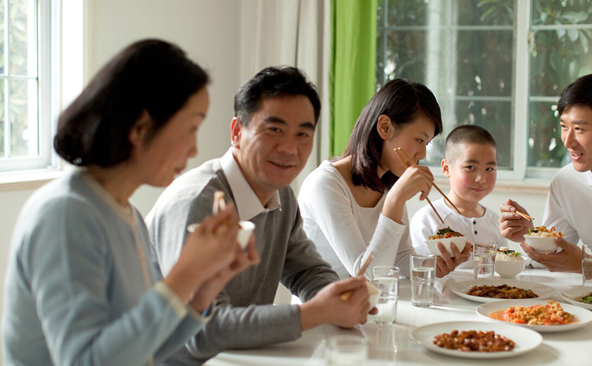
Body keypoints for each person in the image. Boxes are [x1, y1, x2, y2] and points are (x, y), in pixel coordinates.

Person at [1, 39, 258, 366]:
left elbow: (142, 348)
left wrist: (205, 287)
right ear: (140, 127)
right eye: (191, 128)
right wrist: (184, 274)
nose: (194, 149)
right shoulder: (66, 214)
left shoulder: (128, 215)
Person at [146, 66, 372, 366]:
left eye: (303, 134)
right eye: (274, 129)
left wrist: (342, 298)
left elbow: (306, 271)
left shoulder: (282, 194)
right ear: (237, 132)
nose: (290, 148)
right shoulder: (199, 203)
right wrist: (316, 312)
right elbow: (202, 331)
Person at [298, 79, 472, 280]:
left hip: (367, 305)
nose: (422, 153)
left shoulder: (388, 184)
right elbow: (365, 273)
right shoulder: (325, 185)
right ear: (385, 127)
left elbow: (400, 256)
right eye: (419, 140)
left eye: (427, 143)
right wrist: (395, 201)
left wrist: (433, 266)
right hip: (324, 308)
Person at [499, 73, 592, 289]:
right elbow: (552, 258)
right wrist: (529, 237)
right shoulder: (566, 181)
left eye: (579, 129)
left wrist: (587, 264)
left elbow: (578, 264)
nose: (567, 141)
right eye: (563, 127)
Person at [410, 125, 505, 261]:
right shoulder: (426, 220)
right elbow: (418, 272)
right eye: (471, 167)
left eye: (489, 169)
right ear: (446, 168)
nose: (481, 179)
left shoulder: (497, 223)